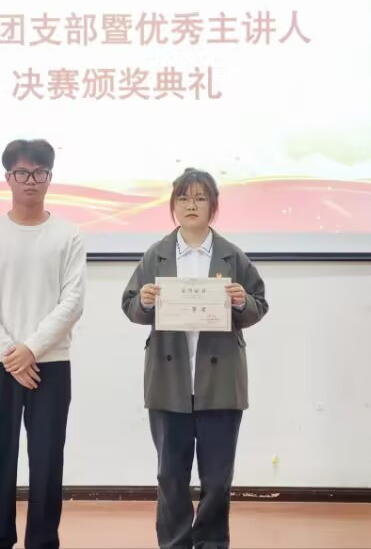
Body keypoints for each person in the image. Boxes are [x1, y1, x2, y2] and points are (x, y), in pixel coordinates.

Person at [122, 168, 268, 549]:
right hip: (168, 383)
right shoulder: (156, 255)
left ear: (213, 206)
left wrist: (242, 302)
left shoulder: (231, 255)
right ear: (173, 205)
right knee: (171, 477)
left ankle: (211, 543)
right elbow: (130, 305)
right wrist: (144, 302)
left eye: (200, 198)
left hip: (220, 384)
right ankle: (174, 543)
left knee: (217, 479)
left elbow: (259, 304)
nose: (192, 205)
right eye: (184, 198)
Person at [0, 138, 86, 549]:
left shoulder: (68, 235)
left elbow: (73, 302)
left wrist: (31, 349)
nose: (30, 180)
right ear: (8, 178)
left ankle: (43, 541)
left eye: (39, 172)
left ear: (50, 178)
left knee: (47, 460)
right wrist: (12, 354)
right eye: (22, 172)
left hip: (50, 363)